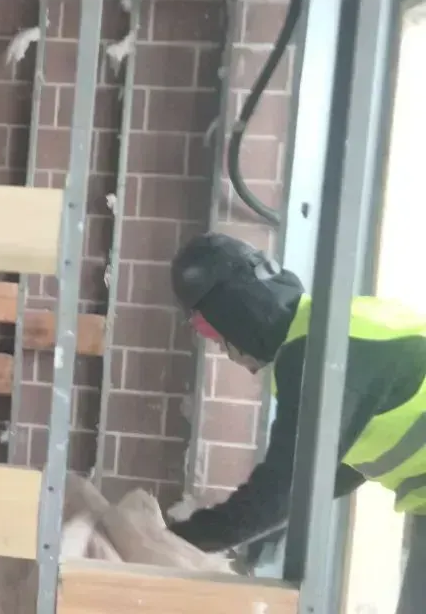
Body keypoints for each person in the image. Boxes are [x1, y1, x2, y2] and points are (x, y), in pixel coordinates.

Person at [165, 231, 426, 610]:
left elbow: (282, 490)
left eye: (211, 331)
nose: (222, 349)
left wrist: (174, 541)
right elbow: (326, 474)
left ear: (233, 310)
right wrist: (256, 530)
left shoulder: (316, 354)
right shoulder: (330, 329)